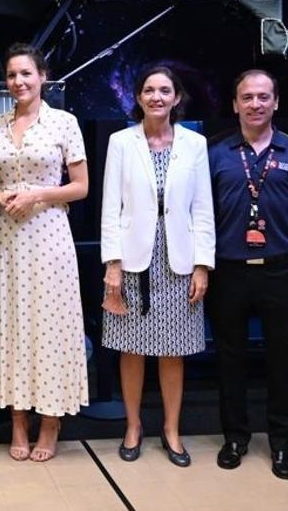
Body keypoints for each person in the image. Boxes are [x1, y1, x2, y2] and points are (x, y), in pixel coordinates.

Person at [0, 43, 89, 462]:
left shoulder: (64, 123)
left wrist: (38, 194)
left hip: (50, 236)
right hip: (7, 238)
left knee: (50, 327)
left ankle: (51, 421)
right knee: (12, 325)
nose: (18, 82)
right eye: (11, 75)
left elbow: (81, 186)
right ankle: (18, 421)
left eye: (26, 73)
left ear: (42, 76)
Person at [100, 65, 214, 468]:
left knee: (173, 351)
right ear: (137, 97)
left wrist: (203, 265)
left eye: (164, 90)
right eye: (148, 90)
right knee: (131, 349)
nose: (156, 97)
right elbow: (110, 206)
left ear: (177, 97)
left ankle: (171, 430)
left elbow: (202, 209)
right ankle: (133, 426)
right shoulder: (121, 142)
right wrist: (112, 264)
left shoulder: (195, 144)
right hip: (132, 260)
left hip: (179, 261)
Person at [205, 69, 288, 480]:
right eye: (247, 97)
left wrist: (275, 243)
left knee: (284, 360)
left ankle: (282, 444)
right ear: (234, 104)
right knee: (229, 357)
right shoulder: (215, 153)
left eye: (263, 97)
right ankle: (235, 438)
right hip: (229, 270)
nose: (255, 104)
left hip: (280, 270)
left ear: (276, 102)